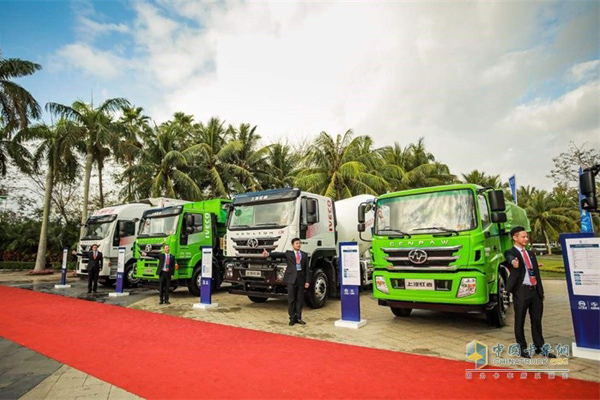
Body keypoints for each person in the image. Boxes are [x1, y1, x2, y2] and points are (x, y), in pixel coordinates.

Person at [505, 226, 556, 358]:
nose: (526, 239)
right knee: (520, 320)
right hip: (522, 291)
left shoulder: (530, 253)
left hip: (535, 291)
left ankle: (540, 347)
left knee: (537, 321)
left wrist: (540, 291)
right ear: (515, 238)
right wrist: (513, 262)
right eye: (523, 236)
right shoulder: (510, 252)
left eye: (526, 236)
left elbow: (534, 271)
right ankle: (522, 348)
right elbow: (510, 258)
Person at [262, 238, 311, 326]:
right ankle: (292, 318)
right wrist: (268, 254)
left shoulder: (304, 255)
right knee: (291, 299)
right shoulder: (289, 253)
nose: (298, 245)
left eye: (299, 243)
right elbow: (278, 254)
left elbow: (307, 269)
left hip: (301, 279)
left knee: (300, 299)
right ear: (293, 245)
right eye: (296, 243)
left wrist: (307, 281)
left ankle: (299, 317)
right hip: (291, 279)